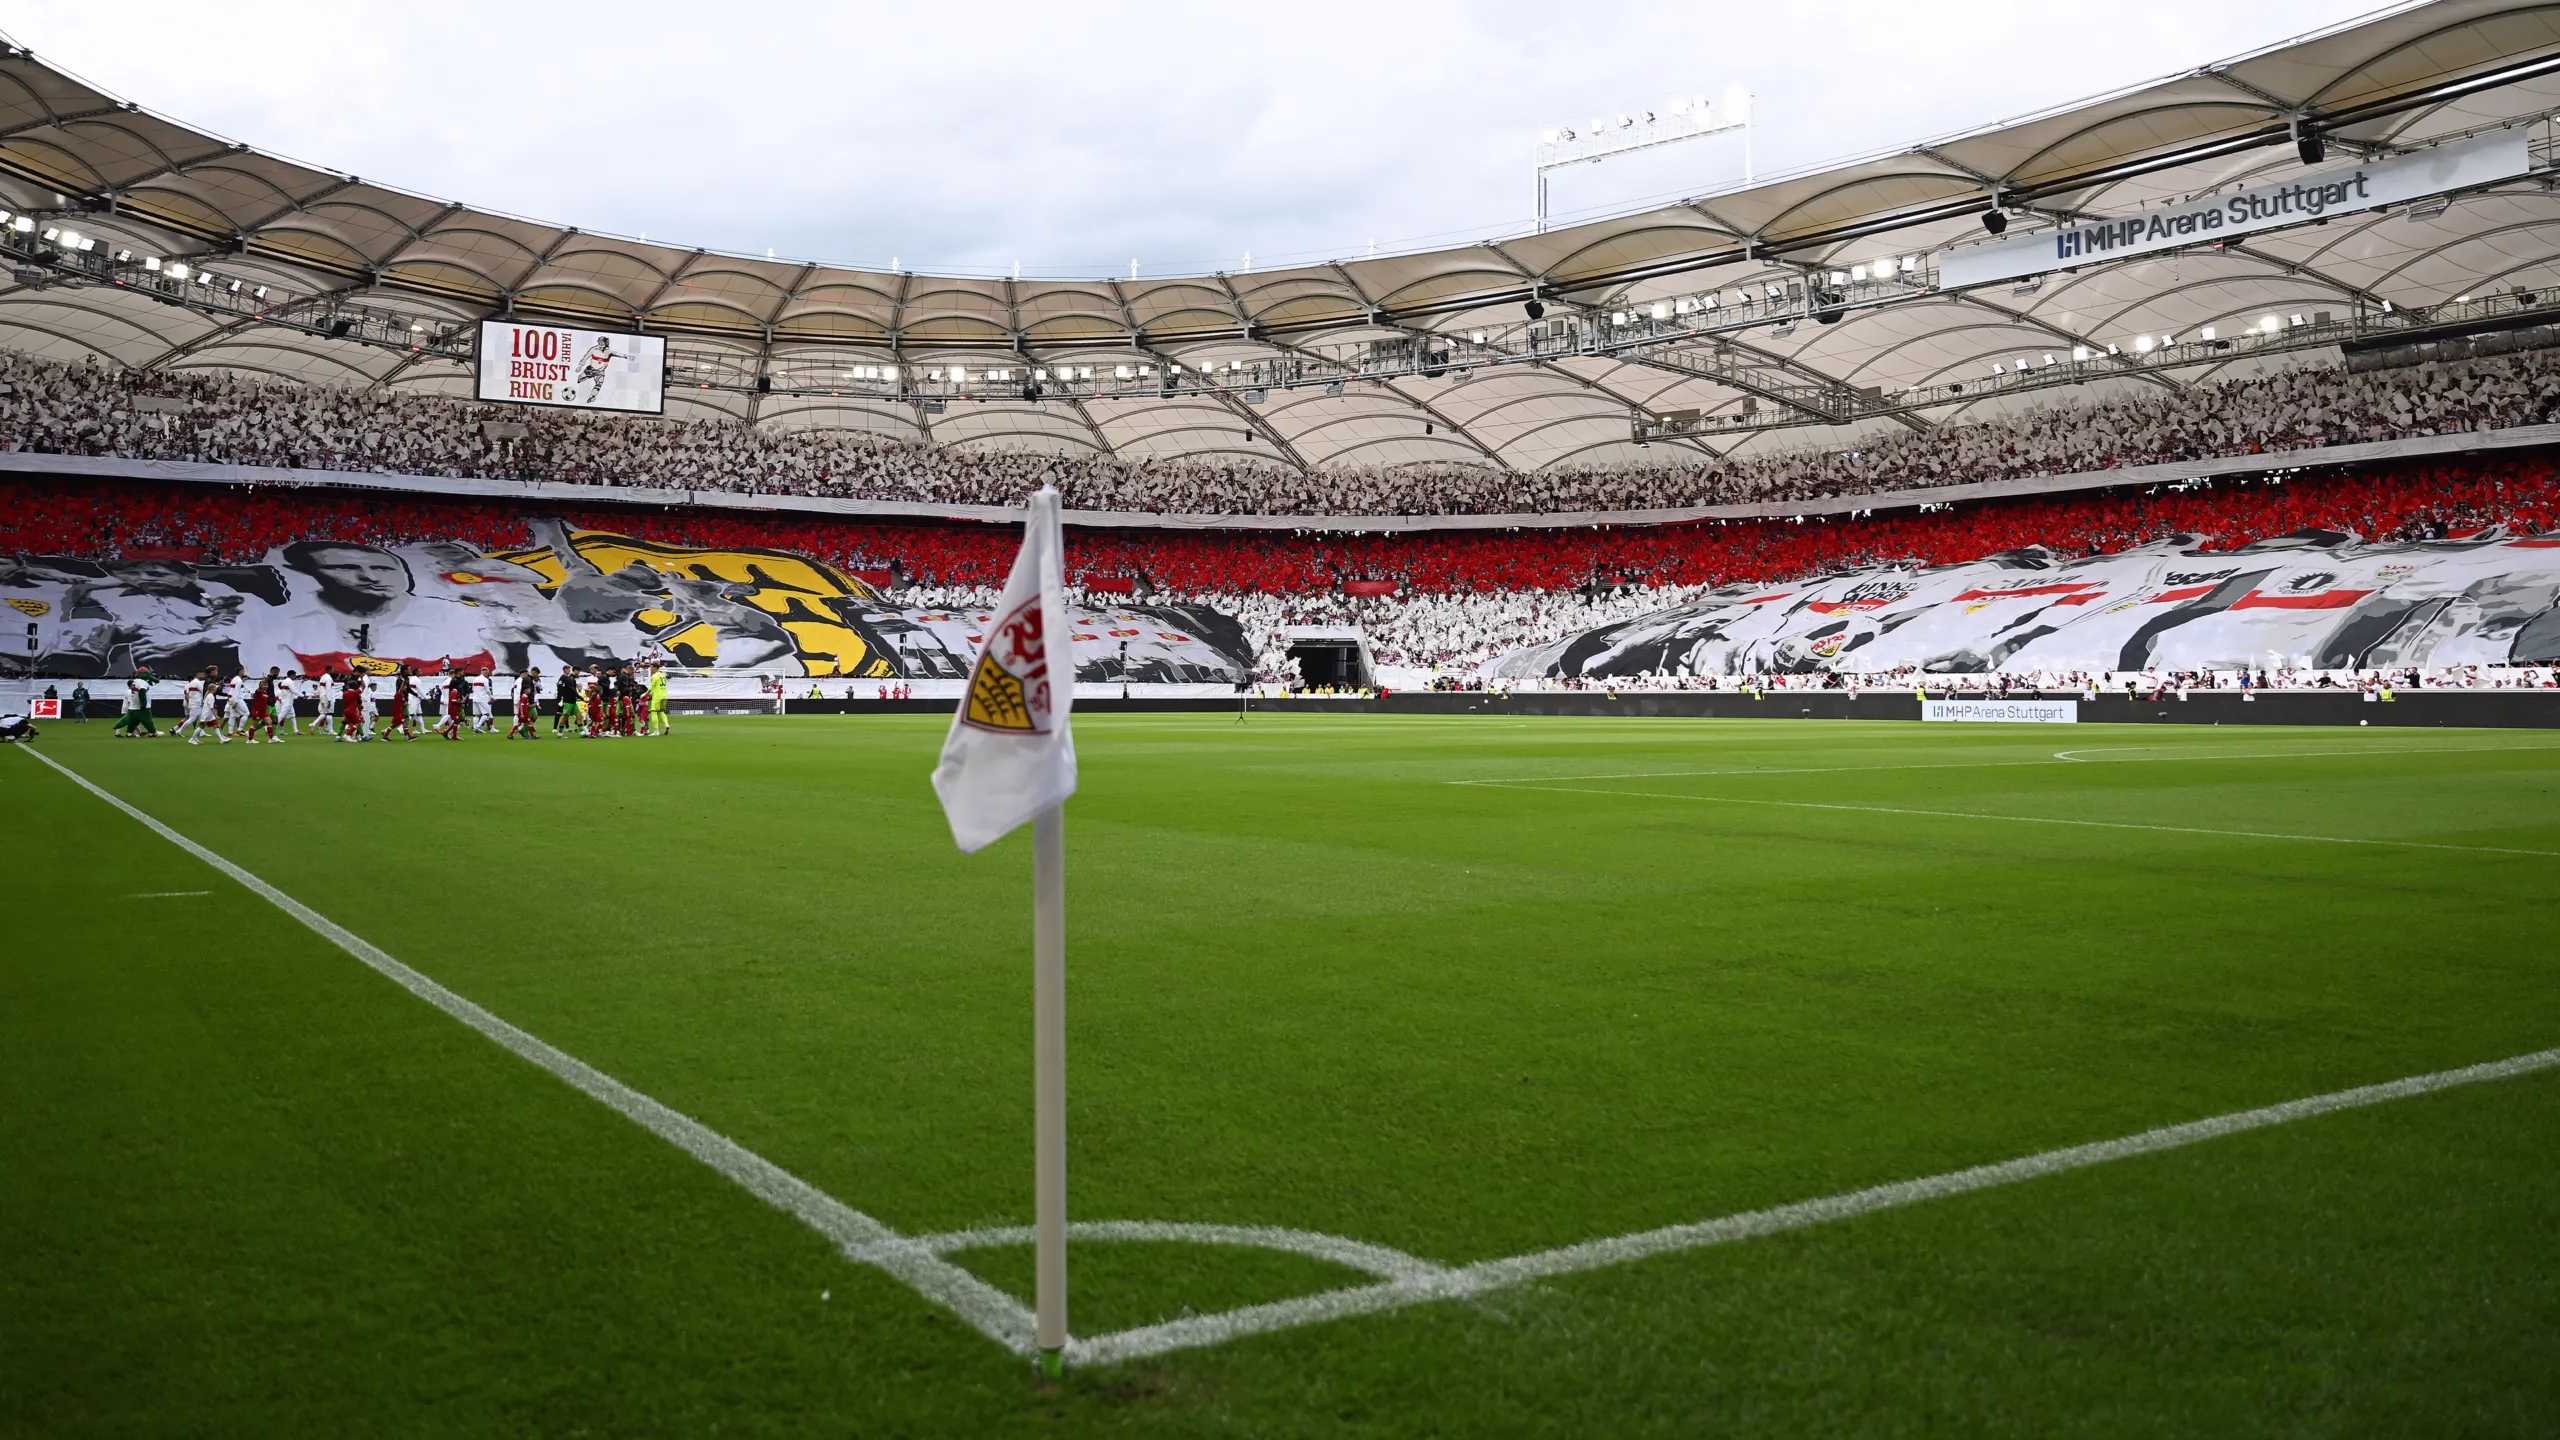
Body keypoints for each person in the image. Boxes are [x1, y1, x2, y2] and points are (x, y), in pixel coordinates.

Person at [114, 670, 157, 737]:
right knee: (128, 720)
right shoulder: (130, 690)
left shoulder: (132, 689)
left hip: (131, 707)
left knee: (133, 720)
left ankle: (136, 732)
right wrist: (142, 704)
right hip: (130, 707)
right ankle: (117, 733)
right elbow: (130, 700)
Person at [439, 666, 469, 740]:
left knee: (459, 719)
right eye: (462, 671)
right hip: (454, 703)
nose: (463, 673)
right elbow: (454, 694)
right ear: (458, 672)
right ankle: (453, 736)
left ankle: (446, 732)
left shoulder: (458, 680)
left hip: (456, 702)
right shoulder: (455, 681)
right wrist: (461, 701)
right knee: (457, 720)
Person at [510, 667, 540, 739]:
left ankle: (522, 730)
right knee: (526, 719)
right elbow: (524, 691)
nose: (537, 676)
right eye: (537, 674)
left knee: (534, 716)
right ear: (533, 672)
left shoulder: (528, 679)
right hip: (526, 702)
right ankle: (524, 732)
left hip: (529, 701)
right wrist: (527, 702)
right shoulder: (525, 680)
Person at [646, 662, 669, 736]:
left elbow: (652, 687)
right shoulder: (663, 675)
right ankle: (666, 724)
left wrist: (645, 694)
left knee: (653, 712)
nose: (651, 668)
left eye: (651, 667)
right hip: (664, 695)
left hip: (657, 697)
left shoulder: (654, 676)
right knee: (662, 711)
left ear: (655, 668)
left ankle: (656, 731)